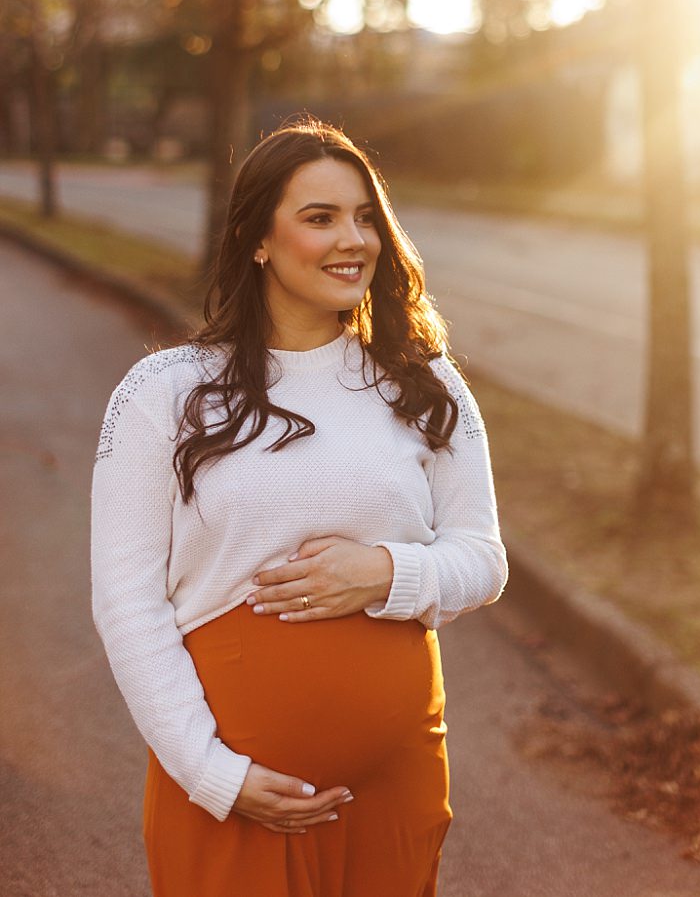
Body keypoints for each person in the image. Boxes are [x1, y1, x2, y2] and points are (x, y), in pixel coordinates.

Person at [91, 117, 508, 897]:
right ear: (257, 239)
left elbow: (483, 561)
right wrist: (215, 776)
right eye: (319, 219)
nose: (353, 239)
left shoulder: (425, 382)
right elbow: (126, 604)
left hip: (395, 783)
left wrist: (384, 573)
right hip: (233, 792)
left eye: (363, 216)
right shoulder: (164, 394)